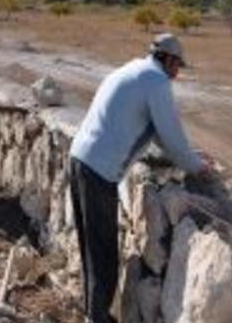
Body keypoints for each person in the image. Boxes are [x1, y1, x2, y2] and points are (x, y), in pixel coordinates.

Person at [68, 33, 211, 323]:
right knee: (103, 254)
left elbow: (156, 132)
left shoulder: (133, 70)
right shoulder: (155, 81)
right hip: (98, 170)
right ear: (168, 60)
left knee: (91, 248)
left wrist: (183, 156)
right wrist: (197, 166)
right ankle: (96, 319)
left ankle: (93, 314)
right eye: (177, 65)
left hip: (81, 159)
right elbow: (171, 135)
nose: (177, 73)